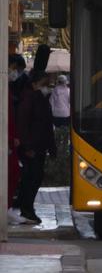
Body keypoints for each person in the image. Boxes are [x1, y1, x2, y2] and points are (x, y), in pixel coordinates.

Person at [15, 72, 55, 225]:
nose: (47, 88)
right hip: (31, 148)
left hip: (39, 147)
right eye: (45, 84)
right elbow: (23, 124)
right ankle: (26, 209)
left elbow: (46, 126)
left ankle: (27, 208)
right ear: (35, 84)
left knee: (36, 178)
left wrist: (51, 147)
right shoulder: (30, 98)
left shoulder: (42, 99)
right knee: (31, 178)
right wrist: (27, 147)